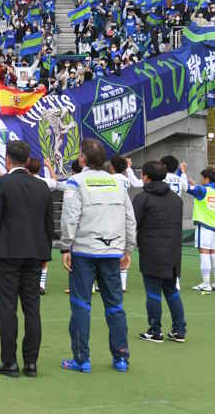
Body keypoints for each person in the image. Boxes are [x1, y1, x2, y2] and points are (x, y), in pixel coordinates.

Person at [59, 138, 136, 374]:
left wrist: (65, 247)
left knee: (81, 304)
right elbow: (129, 219)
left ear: (82, 158)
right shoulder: (117, 184)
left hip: (84, 251)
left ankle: (82, 359)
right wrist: (128, 248)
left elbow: (70, 217)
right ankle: (121, 358)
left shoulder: (76, 182)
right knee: (115, 306)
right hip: (112, 251)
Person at [0, 140, 53, 378]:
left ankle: (9, 362)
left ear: (8, 160)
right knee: (33, 308)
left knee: (7, 309)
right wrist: (45, 255)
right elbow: (49, 225)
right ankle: (31, 363)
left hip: (8, 253)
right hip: (34, 253)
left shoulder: (2, 184)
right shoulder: (42, 187)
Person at [133, 161, 186, 343]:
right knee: (172, 292)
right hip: (172, 253)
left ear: (146, 177)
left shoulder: (142, 198)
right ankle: (179, 330)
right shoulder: (176, 198)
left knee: (153, 293)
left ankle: (155, 331)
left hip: (151, 252)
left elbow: (133, 223)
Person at [187, 167, 215, 293]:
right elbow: (203, 193)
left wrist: (182, 173)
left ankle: (206, 284)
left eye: (202, 178)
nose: (201, 180)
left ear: (206, 178)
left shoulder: (202, 190)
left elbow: (185, 188)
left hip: (204, 226)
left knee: (204, 253)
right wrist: (196, 186)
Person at [109, 156, 143, 292]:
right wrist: (128, 167)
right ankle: (122, 284)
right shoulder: (126, 180)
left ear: (112, 167)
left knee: (109, 247)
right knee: (124, 250)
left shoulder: (110, 179)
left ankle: (106, 281)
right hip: (124, 214)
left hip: (112, 214)